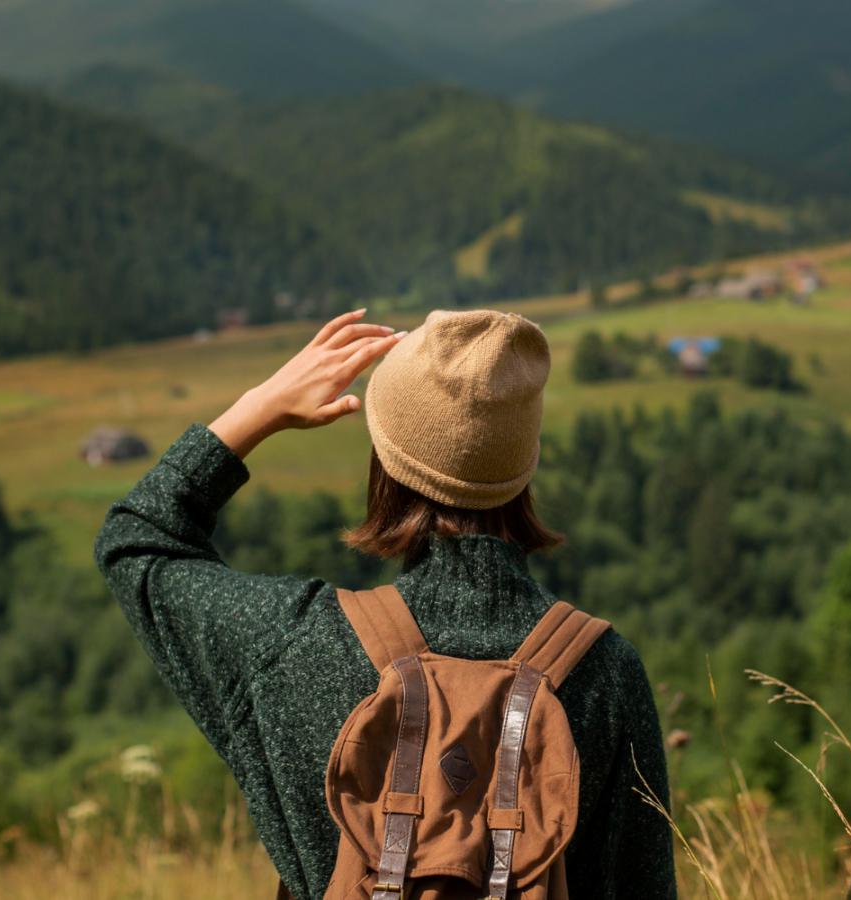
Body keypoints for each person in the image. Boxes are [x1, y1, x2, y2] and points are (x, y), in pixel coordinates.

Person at [95, 308, 676, 899]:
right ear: (523, 466)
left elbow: (137, 539)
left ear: (386, 458)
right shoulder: (605, 673)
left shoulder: (294, 644)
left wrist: (260, 407)